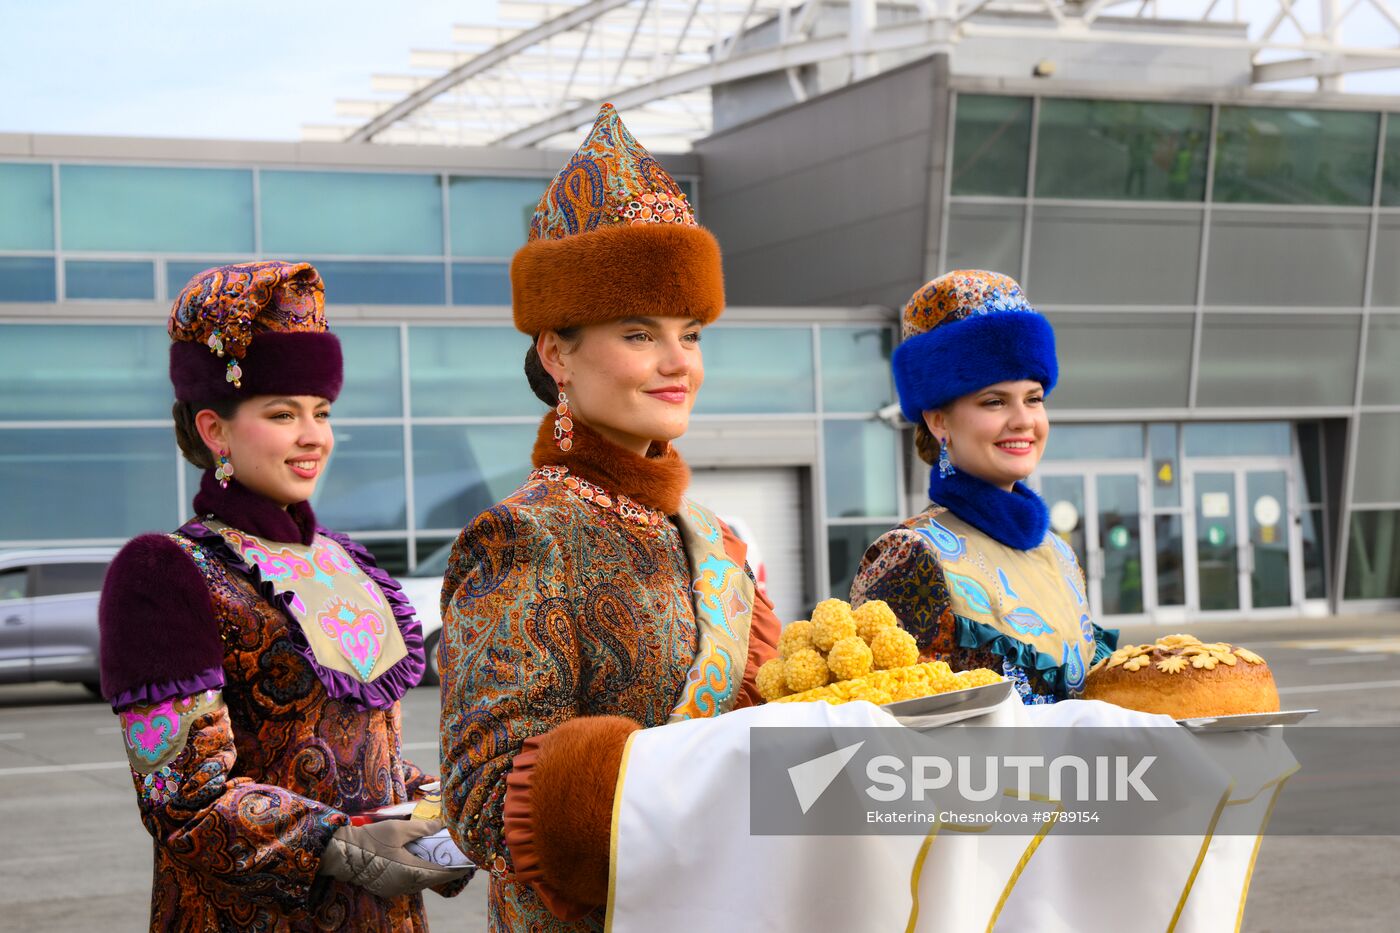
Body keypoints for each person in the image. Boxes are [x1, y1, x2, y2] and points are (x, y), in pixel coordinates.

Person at [437, 104, 781, 930]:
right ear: (557, 351)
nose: (677, 364)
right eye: (639, 334)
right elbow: (484, 797)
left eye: (690, 334)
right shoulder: (522, 537)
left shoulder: (716, 539)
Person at [97, 262, 469, 932]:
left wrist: (445, 806)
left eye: (321, 413)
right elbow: (180, 796)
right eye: (282, 413)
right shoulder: (166, 571)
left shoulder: (343, 560)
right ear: (214, 431)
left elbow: (363, 757)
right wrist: (340, 845)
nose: (313, 436)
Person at [850, 270, 1117, 703]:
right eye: (994, 401)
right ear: (939, 421)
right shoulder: (909, 554)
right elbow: (882, 726)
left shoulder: (1060, 554)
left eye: (1034, 398)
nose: (1024, 420)